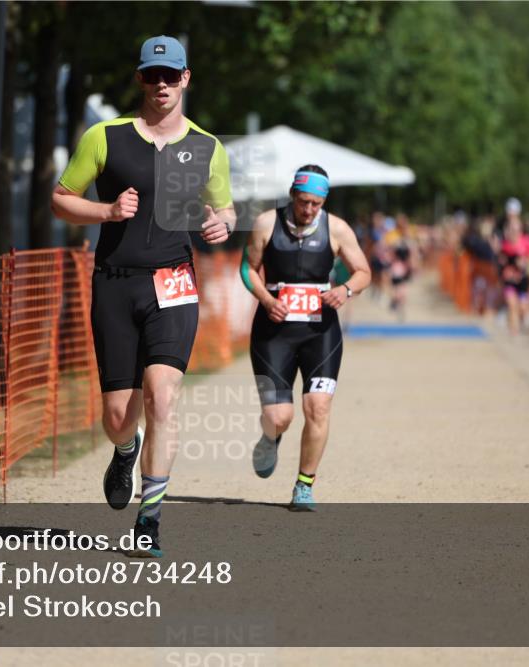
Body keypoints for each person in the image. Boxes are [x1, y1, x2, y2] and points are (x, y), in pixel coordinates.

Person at [51, 35, 235, 557]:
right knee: (117, 417)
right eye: (152, 76)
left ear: (185, 78)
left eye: (170, 75)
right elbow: (61, 200)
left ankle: (149, 520)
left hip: (173, 281)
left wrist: (221, 224)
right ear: (140, 79)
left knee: (163, 398)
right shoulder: (104, 138)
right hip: (114, 281)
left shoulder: (207, 147)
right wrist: (107, 212)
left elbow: (224, 209)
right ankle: (124, 451)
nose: (162, 85)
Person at [243, 166, 371, 511]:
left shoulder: (337, 228)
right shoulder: (266, 224)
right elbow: (247, 268)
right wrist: (267, 300)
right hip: (274, 332)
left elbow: (363, 272)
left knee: (318, 406)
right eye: (303, 202)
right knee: (279, 416)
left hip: (321, 332)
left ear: (324, 201)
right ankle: (271, 437)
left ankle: (304, 485)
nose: (309, 210)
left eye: (316, 203)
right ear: (292, 195)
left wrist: (344, 290)